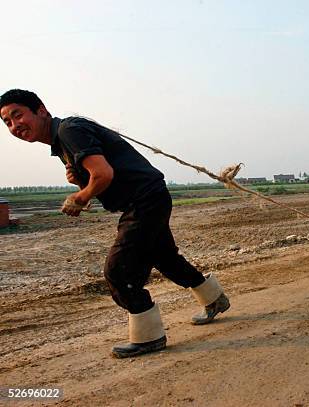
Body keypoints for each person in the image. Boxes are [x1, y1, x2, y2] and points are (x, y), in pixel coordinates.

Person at [0, 89, 231, 358]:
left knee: (120, 271)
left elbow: (103, 174)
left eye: (18, 116)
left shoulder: (68, 131)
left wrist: (80, 196)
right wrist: (82, 184)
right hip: (150, 196)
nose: (15, 126)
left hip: (143, 201)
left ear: (40, 110)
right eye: (7, 122)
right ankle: (214, 299)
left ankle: (149, 337)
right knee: (165, 257)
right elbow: (100, 175)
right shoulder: (64, 137)